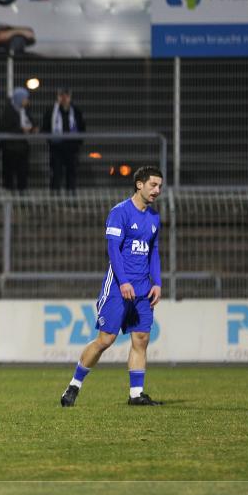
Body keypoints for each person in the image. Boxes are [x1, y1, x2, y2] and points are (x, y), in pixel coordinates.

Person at [61, 166, 163, 408]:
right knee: (105, 340)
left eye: (160, 186)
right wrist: (124, 281)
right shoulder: (120, 212)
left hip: (142, 290)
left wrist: (157, 282)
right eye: (153, 185)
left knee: (141, 338)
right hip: (118, 287)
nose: (157, 190)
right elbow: (113, 250)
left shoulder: (154, 217)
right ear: (139, 184)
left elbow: (154, 252)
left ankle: (136, 394)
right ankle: (74, 385)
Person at [41, 87, 86, 193]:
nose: (64, 98)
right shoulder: (51, 111)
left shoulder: (75, 111)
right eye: (62, 95)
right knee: (56, 174)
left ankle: (70, 199)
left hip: (72, 149)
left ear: (70, 97)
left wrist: (77, 143)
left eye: (66, 95)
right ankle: (55, 199)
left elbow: (82, 127)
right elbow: (45, 128)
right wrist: (51, 141)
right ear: (58, 97)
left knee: (71, 174)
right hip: (56, 148)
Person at [0, 87, 36, 192]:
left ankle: (21, 202)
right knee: (9, 176)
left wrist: (33, 129)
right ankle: (9, 203)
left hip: (22, 149)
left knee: (22, 175)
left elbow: (31, 123)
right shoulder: (7, 112)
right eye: (25, 99)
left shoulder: (25, 111)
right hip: (10, 149)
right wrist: (21, 130)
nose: (27, 101)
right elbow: (5, 128)